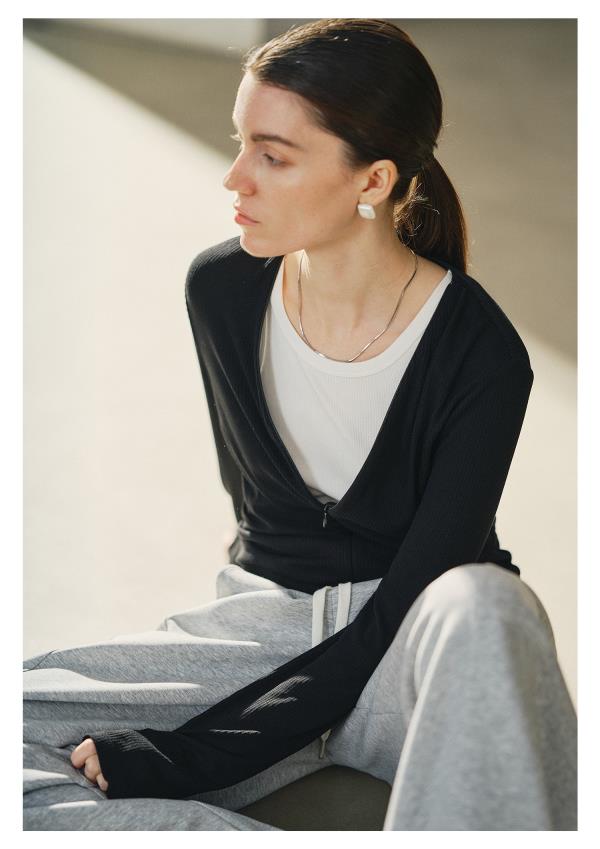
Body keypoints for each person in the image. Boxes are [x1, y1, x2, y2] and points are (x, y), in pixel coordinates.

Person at [23, 18, 577, 830]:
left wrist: (190, 755)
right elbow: (251, 508)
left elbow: (410, 599)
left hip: (420, 648)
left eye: (273, 155)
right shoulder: (221, 290)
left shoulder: (481, 354)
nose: (234, 177)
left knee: (486, 603)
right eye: (239, 142)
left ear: (373, 179)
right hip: (265, 631)